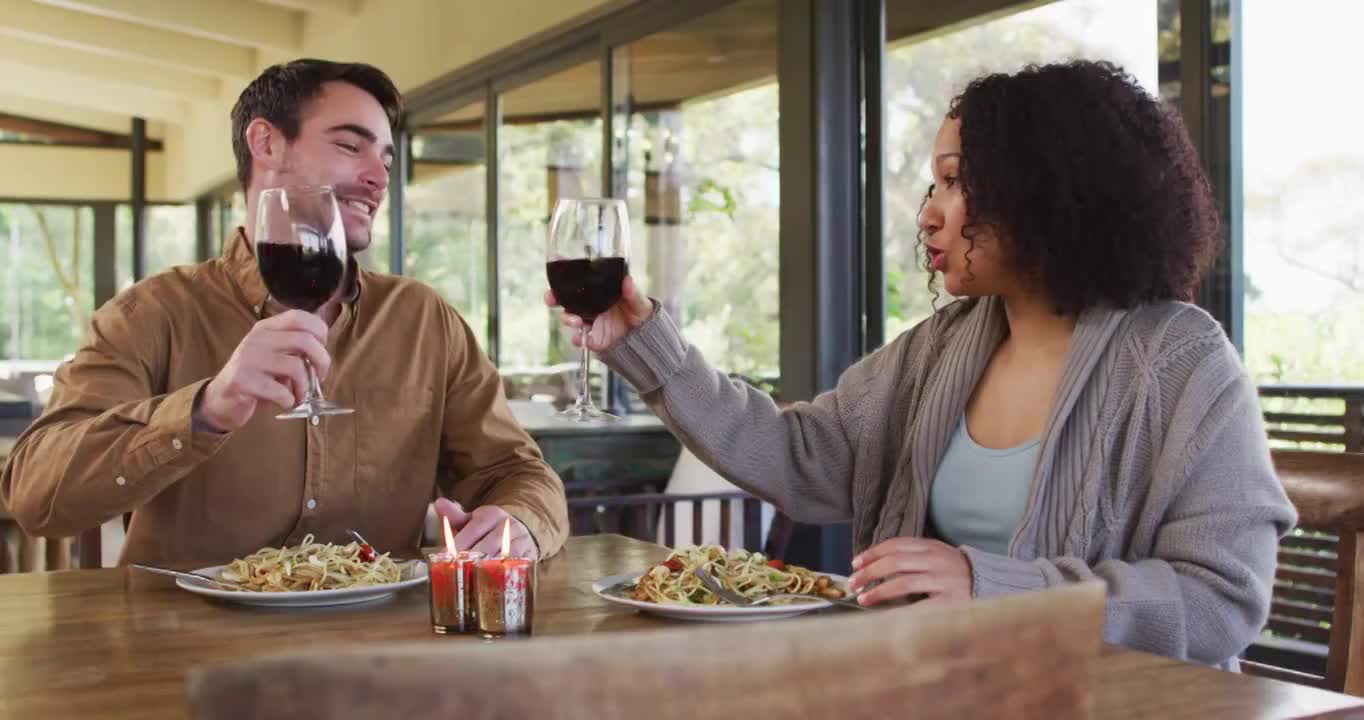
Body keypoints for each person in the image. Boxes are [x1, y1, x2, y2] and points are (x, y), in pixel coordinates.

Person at [549, 60, 1295, 668]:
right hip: (941, 688)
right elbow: (796, 454)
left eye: (956, 181)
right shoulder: (942, 346)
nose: (930, 213)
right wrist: (645, 343)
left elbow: (1219, 600)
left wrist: (991, 587)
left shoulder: (1183, 364)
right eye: (934, 184)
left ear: (1047, 192)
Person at [2, 59, 568, 564]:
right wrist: (204, 411)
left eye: (386, 157)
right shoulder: (150, 314)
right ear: (266, 143)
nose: (378, 176)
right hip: (182, 659)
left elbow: (520, 473)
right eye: (351, 146)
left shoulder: (423, 319)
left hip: (377, 656)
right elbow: (33, 495)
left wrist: (519, 523)